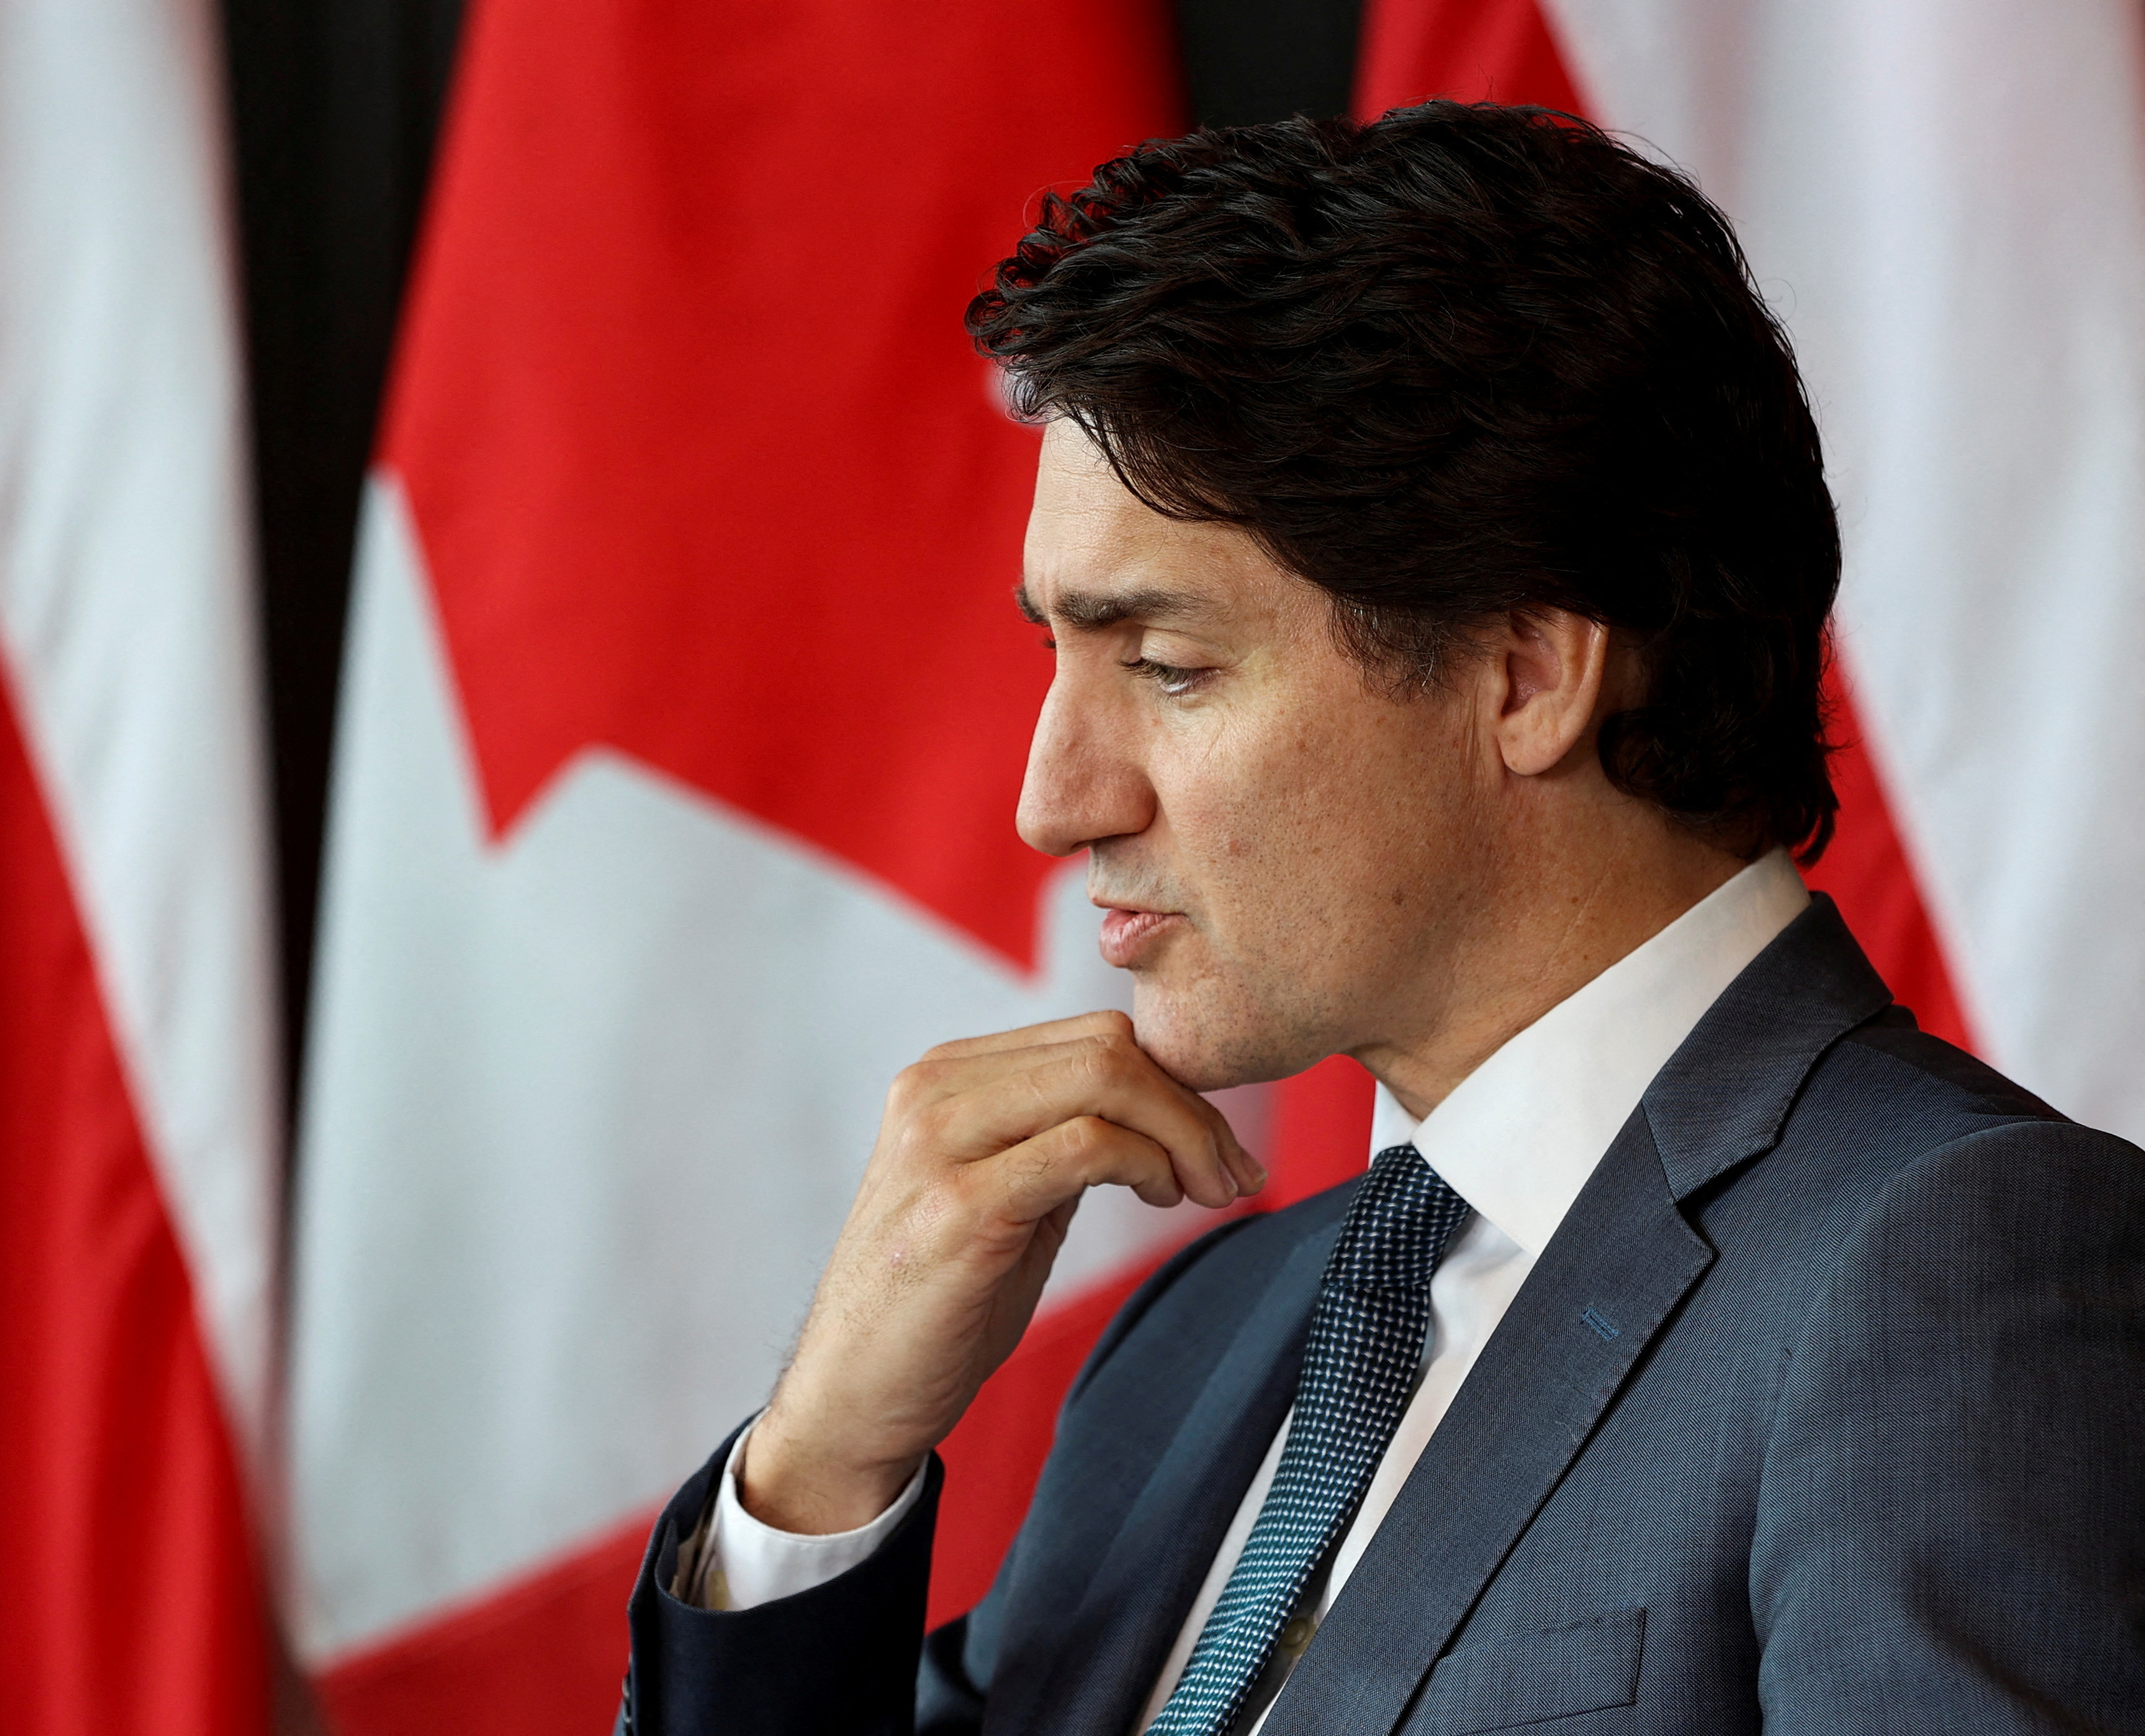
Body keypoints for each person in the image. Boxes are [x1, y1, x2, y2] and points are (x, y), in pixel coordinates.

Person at [618, 103, 2145, 1735]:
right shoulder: (1198, 1337)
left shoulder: (1955, 1261)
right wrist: (818, 1477)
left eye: (1167, 666)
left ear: (1526, 673)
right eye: (1049, 660)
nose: (1053, 800)